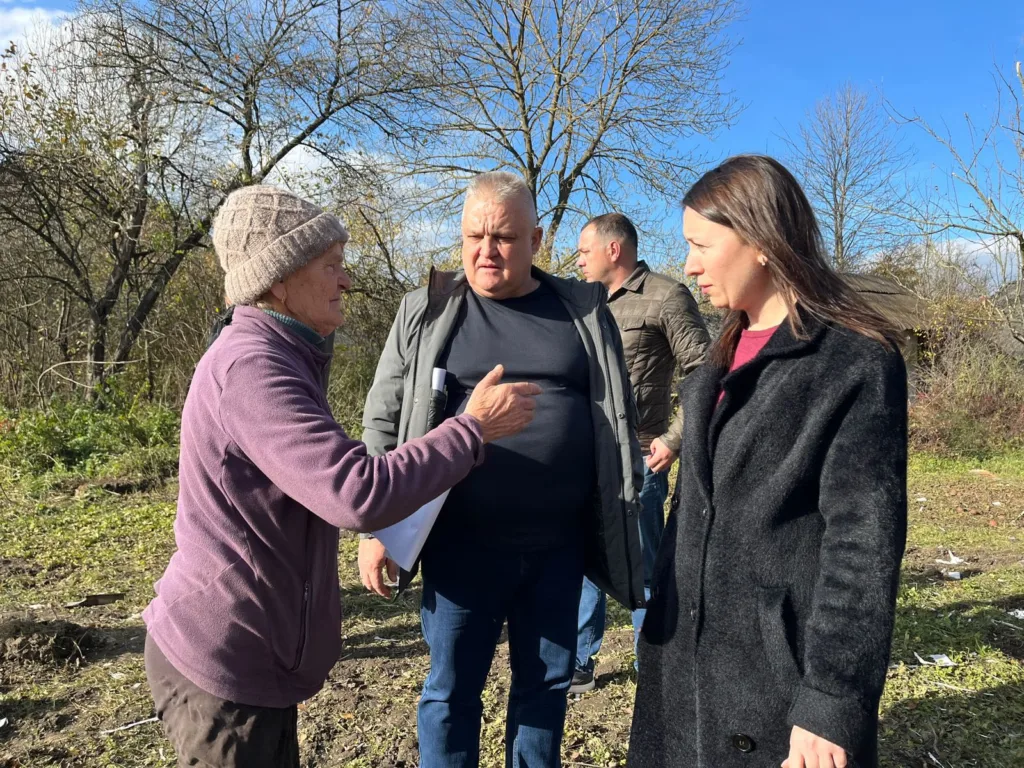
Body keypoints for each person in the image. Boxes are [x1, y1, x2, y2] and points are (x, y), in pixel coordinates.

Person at [142, 185, 540, 768]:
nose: (346, 281)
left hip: (255, 657)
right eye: (331, 266)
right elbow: (356, 492)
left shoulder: (282, 355)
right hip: (225, 666)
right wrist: (471, 429)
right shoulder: (254, 368)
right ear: (278, 280)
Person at [357, 171, 645, 768]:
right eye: (474, 237)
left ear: (537, 239)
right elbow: (383, 422)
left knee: (544, 688)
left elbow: (617, 409)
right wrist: (376, 529)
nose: (486, 251)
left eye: (505, 238)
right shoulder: (428, 311)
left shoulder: (584, 312)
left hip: (558, 548)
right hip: (460, 546)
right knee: (450, 690)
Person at [628, 155, 908, 768]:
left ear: (758, 241)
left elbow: (862, 547)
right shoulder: (717, 357)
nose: (689, 265)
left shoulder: (853, 363)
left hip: (775, 684)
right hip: (683, 661)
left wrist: (831, 702)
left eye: (700, 244)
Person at [572, 212, 709, 692]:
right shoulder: (584, 301)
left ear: (614, 250)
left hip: (639, 459)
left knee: (644, 566)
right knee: (585, 559)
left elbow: (706, 374)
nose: (579, 260)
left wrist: (673, 440)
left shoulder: (666, 296)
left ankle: (648, 664)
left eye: (584, 250)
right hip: (585, 458)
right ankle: (579, 661)